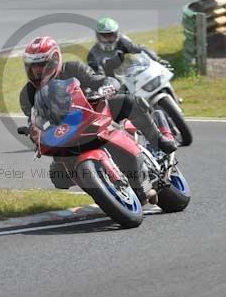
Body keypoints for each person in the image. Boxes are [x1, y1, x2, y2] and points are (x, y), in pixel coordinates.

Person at [19, 36, 178, 204]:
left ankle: (159, 140)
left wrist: (106, 88)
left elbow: (101, 80)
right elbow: (34, 121)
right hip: (64, 134)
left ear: (55, 60)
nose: (37, 71)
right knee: (59, 177)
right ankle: (103, 187)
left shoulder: (73, 68)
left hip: (94, 112)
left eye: (41, 65)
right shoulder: (27, 94)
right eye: (33, 67)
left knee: (130, 102)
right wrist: (34, 132)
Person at [87, 17, 171, 76]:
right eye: (104, 36)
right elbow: (95, 74)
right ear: (98, 36)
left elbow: (140, 49)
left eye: (110, 35)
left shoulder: (122, 41)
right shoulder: (93, 54)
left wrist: (158, 60)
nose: (108, 39)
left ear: (116, 34)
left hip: (129, 75)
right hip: (111, 86)